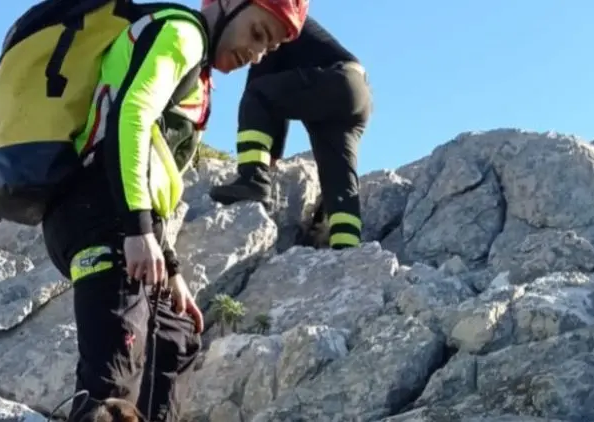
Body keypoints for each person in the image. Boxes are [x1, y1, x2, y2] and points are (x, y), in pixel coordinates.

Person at [40, 0, 309, 421]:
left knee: (176, 337)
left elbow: (153, 173)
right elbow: (130, 115)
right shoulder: (182, 34)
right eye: (258, 33)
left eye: (269, 48)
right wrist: (136, 227)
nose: (256, 54)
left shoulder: (197, 72)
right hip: (98, 210)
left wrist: (171, 266)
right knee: (111, 389)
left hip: (122, 215)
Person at [208, 15, 371, 250]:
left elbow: (261, 83)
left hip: (336, 79)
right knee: (338, 178)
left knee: (256, 94)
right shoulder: (295, 26)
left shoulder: (272, 20)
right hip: (358, 92)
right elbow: (278, 107)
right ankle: (347, 245)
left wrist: (268, 160)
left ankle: (252, 179)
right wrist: (275, 151)